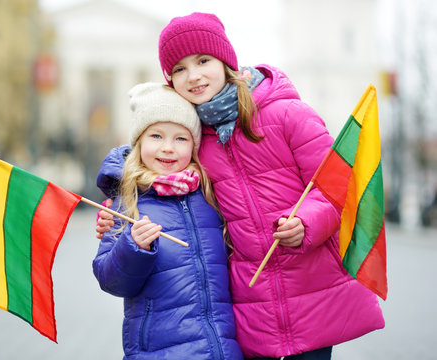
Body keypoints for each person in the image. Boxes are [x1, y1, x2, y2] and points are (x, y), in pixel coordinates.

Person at [97, 12, 385, 360]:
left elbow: (337, 188)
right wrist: (116, 205)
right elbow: (156, 167)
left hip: (312, 291)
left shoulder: (288, 114)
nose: (194, 75)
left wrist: (307, 222)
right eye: (179, 69)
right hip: (251, 303)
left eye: (203, 60)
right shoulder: (195, 138)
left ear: (225, 61)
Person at [93, 82, 244, 360]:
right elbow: (110, 279)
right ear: (139, 142)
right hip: (160, 351)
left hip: (221, 348)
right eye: (156, 136)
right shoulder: (127, 203)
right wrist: (132, 248)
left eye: (180, 139)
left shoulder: (210, 194)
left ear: (194, 146)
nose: (168, 148)